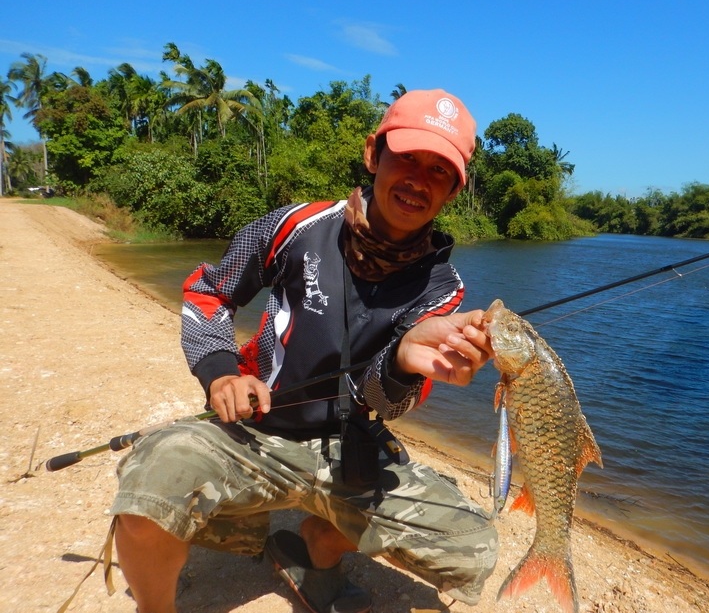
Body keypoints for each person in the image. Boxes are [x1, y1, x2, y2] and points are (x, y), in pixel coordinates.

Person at [110, 89, 499, 613]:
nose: (417, 180)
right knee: (148, 493)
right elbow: (209, 291)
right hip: (254, 431)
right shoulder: (298, 226)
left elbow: (387, 403)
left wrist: (405, 362)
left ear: (454, 189)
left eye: (439, 171)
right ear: (373, 154)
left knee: (472, 548)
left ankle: (322, 539)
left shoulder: (442, 290)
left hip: (351, 450)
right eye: (407, 157)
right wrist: (221, 374)